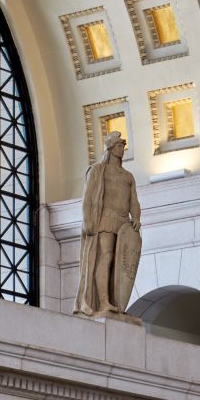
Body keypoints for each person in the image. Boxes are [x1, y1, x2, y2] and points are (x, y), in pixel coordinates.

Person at [75, 132, 142, 317]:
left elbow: (133, 201)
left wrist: (136, 217)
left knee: (117, 262)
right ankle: (103, 301)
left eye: (123, 145)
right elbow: (87, 199)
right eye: (119, 145)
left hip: (123, 222)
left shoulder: (128, 176)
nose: (122, 148)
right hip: (105, 218)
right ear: (111, 148)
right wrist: (88, 220)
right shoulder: (98, 170)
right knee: (106, 256)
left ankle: (114, 300)